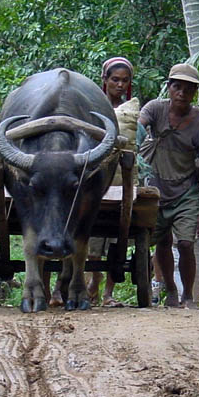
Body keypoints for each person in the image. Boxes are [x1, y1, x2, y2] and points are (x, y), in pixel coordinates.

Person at [138, 63, 199, 309]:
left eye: (188, 89)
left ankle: (188, 297)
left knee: (185, 243)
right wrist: (133, 130)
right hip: (156, 188)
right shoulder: (155, 109)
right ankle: (171, 290)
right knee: (161, 241)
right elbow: (139, 125)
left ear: (194, 92)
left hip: (186, 191)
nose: (182, 93)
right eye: (177, 87)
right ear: (169, 88)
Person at [87, 57, 136, 307]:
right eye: (115, 79)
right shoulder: (91, 108)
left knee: (117, 240)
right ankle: (91, 284)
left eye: (124, 80)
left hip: (120, 184)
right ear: (104, 80)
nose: (119, 84)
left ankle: (108, 294)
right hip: (92, 181)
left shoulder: (131, 111)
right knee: (92, 242)